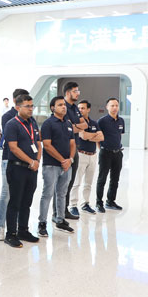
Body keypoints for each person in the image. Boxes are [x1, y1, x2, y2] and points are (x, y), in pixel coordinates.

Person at [3, 94, 41, 247]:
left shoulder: (33, 122)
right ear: (18, 107)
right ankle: (10, 234)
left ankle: (23, 230)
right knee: (15, 202)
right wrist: (31, 161)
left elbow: (38, 143)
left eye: (32, 106)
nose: (31, 109)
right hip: (17, 168)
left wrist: (37, 161)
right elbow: (13, 148)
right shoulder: (12, 124)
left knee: (27, 201)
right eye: (27, 106)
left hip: (32, 169)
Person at [38, 96, 76, 236]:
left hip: (66, 165)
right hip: (51, 165)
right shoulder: (48, 124)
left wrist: (70, 160)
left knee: (62, 193)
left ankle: (60, 219)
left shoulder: (68, 123)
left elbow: (72, 143)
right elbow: (47, 145)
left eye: (64, 104)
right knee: (47, 194)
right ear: (52, 108)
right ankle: (42, 223)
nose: (64, 107)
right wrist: (62, 160)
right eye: (60, 105)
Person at [0, 88, 29, 240]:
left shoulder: (30, 119)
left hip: (25, 162)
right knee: (6, 193)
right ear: (16, 101)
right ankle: (1, 226)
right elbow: (13, 142)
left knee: (21, 194)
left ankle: (18, 226)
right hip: (9, 159)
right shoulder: (8, 117)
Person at [68, 100, 104, 215]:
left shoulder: (94, 123)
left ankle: (85, 204)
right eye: (79, 108)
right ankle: (73, 205)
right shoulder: (77, 123)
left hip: (92, 155)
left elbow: (101, 137)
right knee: (76, 182)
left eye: (83, 108)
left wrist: (90, 136)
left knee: (88, 183)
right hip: (81, 154)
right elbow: (83, 135)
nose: (80, 110)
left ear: (88, 109)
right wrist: (94, 135)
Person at [62, 82, 88, 220]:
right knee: (62, 183)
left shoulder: (75, 108)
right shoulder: (62, 106)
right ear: (68, 93)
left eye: (78, 91)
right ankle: (58, 212)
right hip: (64, 148)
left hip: (75, 148)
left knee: (71, 181)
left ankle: (65, 209)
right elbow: (66, 128)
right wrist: (76, 127)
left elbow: (85, 124)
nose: (78, 93)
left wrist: (74, 126)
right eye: (75, 91)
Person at [96, 98, 125, 212]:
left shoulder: (121, 121)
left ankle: (110, 201)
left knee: (115, 179)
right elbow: (98, 138)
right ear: (107, 107)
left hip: (118, 153)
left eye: (116, 105)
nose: (115, 108)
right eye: (112, 105)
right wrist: (102, 150)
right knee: (102, 179)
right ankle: (99, 203)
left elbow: (119, 135)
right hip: (105, 153)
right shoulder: (102, 121)